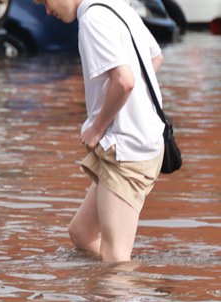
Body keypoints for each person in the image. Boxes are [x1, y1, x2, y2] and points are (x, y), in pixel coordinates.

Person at [36, 0, 166, 262]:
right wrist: (132, 105)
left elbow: (125, 81)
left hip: (127, 148)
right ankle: (134, 295)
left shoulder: (93, 20)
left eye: (45, 1)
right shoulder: (116, 6)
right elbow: (155, 56)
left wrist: (97, 127)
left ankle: (136, 301)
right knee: (81, 233)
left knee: (115, 259)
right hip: (135, 141)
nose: (47, 11)